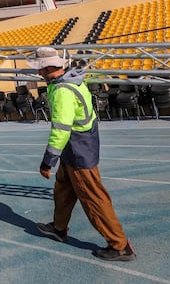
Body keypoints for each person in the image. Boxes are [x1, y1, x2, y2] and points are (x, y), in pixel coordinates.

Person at [30, 46, 136, 262]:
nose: (38, 73)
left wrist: (47, 161)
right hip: (77, 146)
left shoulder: (62, 91)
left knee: (93, 198)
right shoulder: (71, 79)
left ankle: (120, 246)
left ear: (48, 67)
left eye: (40, 69)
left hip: (78, 149)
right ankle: (59, 228)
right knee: (63, 189)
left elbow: (61, 129)